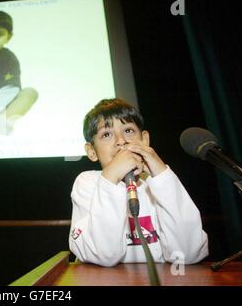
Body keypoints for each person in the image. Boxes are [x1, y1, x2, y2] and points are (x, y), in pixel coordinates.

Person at [69, 98, 208, 266]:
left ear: (145, 140)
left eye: (128, 131)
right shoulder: (88, 183)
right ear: (92, 151)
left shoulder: (161, 181)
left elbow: (187, 254)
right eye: (106, 134)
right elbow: (103, 255)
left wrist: (162, 174)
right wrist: (111, 176)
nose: (121, 140)